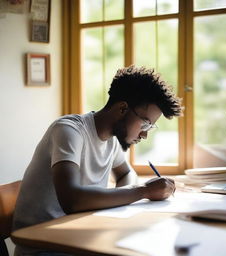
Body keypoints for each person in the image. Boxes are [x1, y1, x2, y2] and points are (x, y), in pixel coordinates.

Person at [12, 65, 183, 255]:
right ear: (122, 108)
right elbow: (72, 200)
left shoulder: (112, 140)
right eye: (145, 123)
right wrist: (143, 191)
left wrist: (123, 198)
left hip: (80, 237)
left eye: (150, 127)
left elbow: (127, 173)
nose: (144, 134)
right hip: (44, 247)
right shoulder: (69, 131)